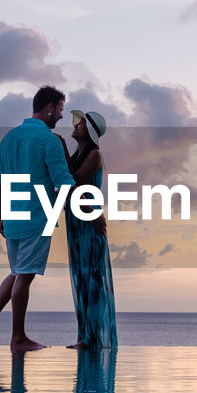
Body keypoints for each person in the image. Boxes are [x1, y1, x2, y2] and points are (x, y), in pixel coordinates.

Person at [0, 85, 70, 353]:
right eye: (61, 110)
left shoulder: (9, 138)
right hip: (37, 215)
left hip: (12, 216)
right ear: (50, 108)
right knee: (25, 276)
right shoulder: (48, 140)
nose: (61, 117)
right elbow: (63, 180)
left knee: (18, 272)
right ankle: (18, 336)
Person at [65, 109, 117, 350]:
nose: (75, 125)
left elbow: (75, 183)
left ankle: (92, 338)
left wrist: (61, 151)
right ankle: (85, 335)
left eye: (82, 123)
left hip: (89, 220)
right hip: (77, 221)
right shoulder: (79, 153)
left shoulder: (95, 154)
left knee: (92, 279)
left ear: (92, 132)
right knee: (82, 278)